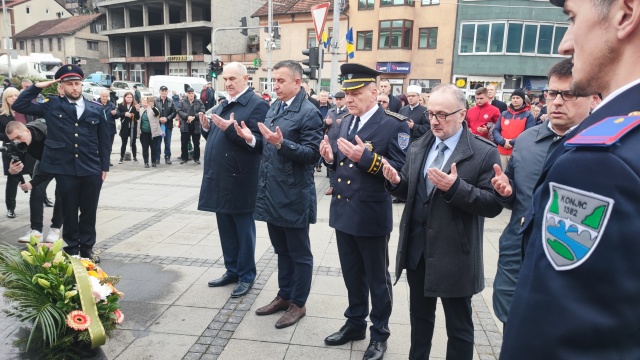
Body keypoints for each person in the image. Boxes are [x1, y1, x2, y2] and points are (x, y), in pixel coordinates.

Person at [500, 0, 640, 357]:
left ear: (625, 14)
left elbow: (558, 333)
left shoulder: (600, 160)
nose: (565, 44)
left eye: (573, 18)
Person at [382, 84, 502, 360]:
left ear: (462, 114)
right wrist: (396, 182)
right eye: (430, 113)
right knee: (420, 321)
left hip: (455, 255)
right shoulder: (418, 145)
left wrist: (456, 188)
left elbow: (493, 205)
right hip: (418, 252)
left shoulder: (483, 152)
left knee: (459, 327)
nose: (434, 120)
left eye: (442, 114)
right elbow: (411, 190)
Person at [491, 58, 599, 329]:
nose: (557, 101)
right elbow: (514, 197)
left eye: (569, 93)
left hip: (567, 264)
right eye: (552, 93)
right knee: (511, 325)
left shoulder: (602, 148)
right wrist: (506, 190)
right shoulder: (527, 140)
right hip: (517, 255)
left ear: (594, 99)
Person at [319, 64, 410, 360]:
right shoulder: (345, 121)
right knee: (352, 275)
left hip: (370, 216)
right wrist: (331, 159)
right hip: (344, 211)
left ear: (375, 92)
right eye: (347, 93)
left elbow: (398, 171)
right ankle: (355, 322)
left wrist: (367, 158)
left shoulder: (393, 124)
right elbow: (341, 167)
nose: (350, 99)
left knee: (377, 280)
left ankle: (379, 334)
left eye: (356, 93)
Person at [234, 60, 322, 329]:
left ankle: (298, 302)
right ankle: (284, 295)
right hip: (272, 191)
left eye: (281, 81)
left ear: (297, 82)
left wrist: (282, 143)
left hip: (294, 195)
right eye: (274, 81)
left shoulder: (309, 112)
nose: (275, 85)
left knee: (299, 253)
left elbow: (312, 155)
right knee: (281, 250)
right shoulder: (275, 107)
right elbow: (268, 146)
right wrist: (251, 138)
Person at [12, 64, 110, 261]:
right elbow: (19, 105)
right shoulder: (52, 105)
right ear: (61, 87)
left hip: (91, 167)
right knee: (69, 210)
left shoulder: (96, 109)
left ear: (82, 85)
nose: (74, 88)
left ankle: (87, 248)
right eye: (69, 84)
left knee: (89, 211)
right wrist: (38, 86)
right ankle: (72, 247)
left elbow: (104, 139)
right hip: (65, 169)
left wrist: (104, 166)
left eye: (77, 83)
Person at [199, 62, 269, 298]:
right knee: (225, 228)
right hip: (220, 177)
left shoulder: (257, 105)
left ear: (245, 79)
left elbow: (258, 143)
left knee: (242, 230)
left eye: (232, 79)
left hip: (241, 179)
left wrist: (231, 130)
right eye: (225, 78)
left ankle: (247, 274)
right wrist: (208, 129)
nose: (228, 83)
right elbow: (220, 136)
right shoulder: (222, 104)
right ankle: (232, 269)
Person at [5, 121, 63, 243]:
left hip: (61, 161)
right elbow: (16, 167)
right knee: (37, 191)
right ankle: (36, 231)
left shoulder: (48, 136)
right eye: (13, 140)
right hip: (42, 160)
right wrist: (11, 171)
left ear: (27, 131)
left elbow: (52, 166)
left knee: (61, 192)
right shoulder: (19, 143)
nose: (17, 142)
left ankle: (56, 228)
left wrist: (32, 182)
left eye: (19, 137)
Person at [0, 87, 35, 218]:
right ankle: (10, 208)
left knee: (35, 174)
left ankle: (43, 198)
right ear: (6, 99)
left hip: (29, 148)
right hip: (12, 149)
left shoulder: (26, 110)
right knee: (12, 179)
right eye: (11, 96)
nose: (14, 97)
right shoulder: (2, 115)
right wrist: (12, 137)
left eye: (16, 95)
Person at [492, 88, 536, 169]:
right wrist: (502, 142)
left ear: (523, 100)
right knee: (500, 175)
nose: (515, 100)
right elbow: (496, 130)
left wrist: (511, 142)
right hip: (501, 152)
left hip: (517, 152)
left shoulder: (528, 115)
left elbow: (529, 134)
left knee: (514, 177)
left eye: (518, 98)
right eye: (513, 98)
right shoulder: (504, 114)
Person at [323, 91, 347, 196]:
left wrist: (343, 123)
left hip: (343, 143)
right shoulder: (331, 111)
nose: (338, 101)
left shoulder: (348, 112)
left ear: (345, 99)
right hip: (332, 142)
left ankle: (343, 186)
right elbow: (323, 127)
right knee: (331, 165)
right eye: (337, 99)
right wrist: (325, 123)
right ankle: (332, 186)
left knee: (343, 165)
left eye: (340, 99)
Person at [178, 87, 205, 164]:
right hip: (185, 125)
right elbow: (179, 111)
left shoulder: (199, 102)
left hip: (196, 125)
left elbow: (202, 111)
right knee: (184, 143)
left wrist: (194, 117)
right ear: (187, 93)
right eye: (189, 93)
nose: (191, 95)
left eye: (192, 93)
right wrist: (187, 117)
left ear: (194, 93)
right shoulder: (182, 102)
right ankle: (184, 158)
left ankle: (196, 158)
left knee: (196, 143)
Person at [136, 96, 162, 168]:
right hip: (143, 133)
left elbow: (157, 114)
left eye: (146, 100)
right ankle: (146, 162)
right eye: (143, 100)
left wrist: (152, 107)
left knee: (153, 148)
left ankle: (153, 162)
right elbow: (136, 118)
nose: (145, 101)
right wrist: (136, 111)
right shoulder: (140, 109)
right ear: (141, 102)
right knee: (145, 148)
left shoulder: (153, 108)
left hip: (153, 132)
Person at [154, 85, 176, 165]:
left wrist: (167, 118)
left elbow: (174, 112)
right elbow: (152, 112)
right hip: (158, 125)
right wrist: (159, 118)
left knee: (167, 142)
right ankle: (157, 158)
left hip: (168, 124)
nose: (164, 92)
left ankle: (167, 157)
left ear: (167, 92)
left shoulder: (171, 101)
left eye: (165, 91)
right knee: (158, 142)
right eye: (162, 91)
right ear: (159, 91)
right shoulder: (155, 101)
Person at [117, 92, 140, 164]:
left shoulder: (135, 106)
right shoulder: (121, 105)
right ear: (125, 98)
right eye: (128, 97)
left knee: (133, 142)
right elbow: (118, 114)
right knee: (124, 142)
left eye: (131, 97)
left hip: (133, 126)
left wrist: (137, 111)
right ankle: (121, 157)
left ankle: (135, 157)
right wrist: (124, 114)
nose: (129, 99)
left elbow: (137, 117)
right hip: (124, 126)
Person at [99, 89, 119, 167]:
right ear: (100, 96)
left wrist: (115, 113)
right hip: (99, 128)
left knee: (109, 146)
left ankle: (107, 160)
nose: (105, 98)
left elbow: (118, 115)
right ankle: (99, 160)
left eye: (106, 96)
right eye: (103, 96)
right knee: (99, 145)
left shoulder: (112, 105)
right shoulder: (96, 104)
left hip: (110, 129)